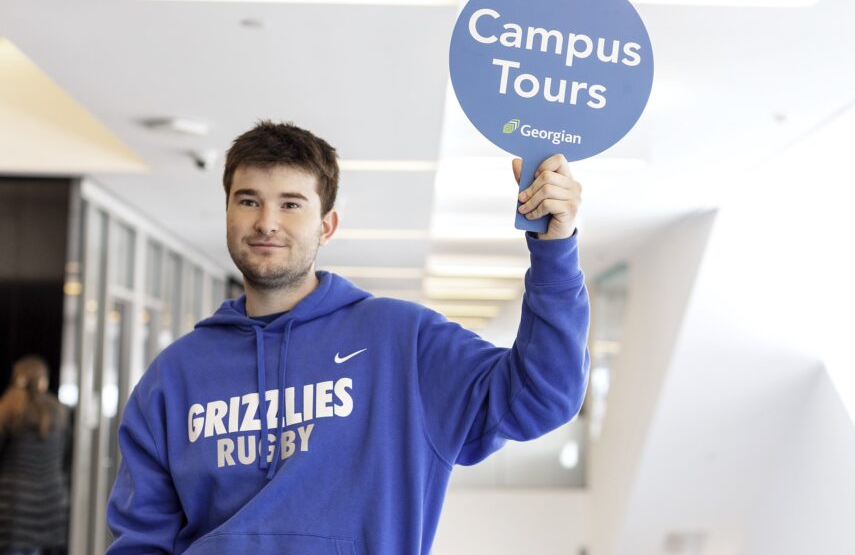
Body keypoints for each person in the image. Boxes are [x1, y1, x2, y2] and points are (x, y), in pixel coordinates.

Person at [106, 121, 589, 554]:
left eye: (291, 204)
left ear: (327, 225)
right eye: (248, 200)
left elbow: (543, 396)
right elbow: (141, 541)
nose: (266, 222)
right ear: (228, 212)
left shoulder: (402, 342)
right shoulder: (173, 376)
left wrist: (555, 250)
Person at [0, 355, 71, 555]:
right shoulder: (58, 411)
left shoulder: (7, 409)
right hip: (50, 499)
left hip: (14, 502)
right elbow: (65, 457)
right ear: (43, 380)